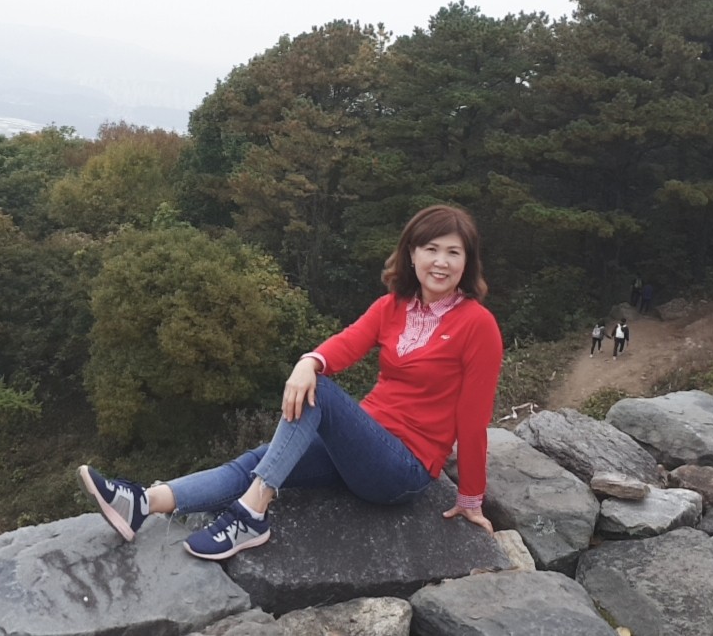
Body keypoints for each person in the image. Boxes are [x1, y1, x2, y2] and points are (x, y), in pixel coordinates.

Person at [77, 204, 504, 561]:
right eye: (431, 249)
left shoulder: (477, 325)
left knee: (320, 394)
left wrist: (470, 499)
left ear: (467, 262)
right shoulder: (393, 306)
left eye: (454, 252)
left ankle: (251, 514)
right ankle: (143, 503)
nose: (441, 262)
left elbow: (473, 421)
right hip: (359, 448)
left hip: (403, 469)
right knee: (257, 461)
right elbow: (347, 343)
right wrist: (309, 361)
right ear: (412, 254)